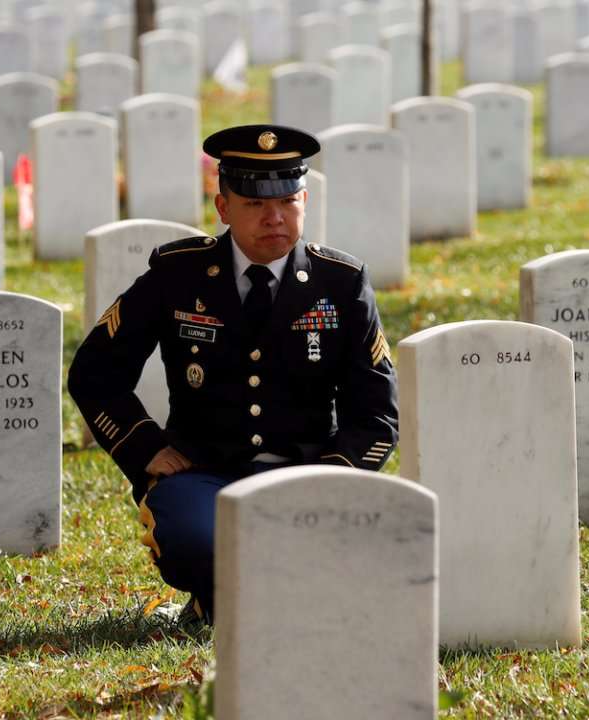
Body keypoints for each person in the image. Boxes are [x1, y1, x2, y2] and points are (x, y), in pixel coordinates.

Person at [67, 124, 398, 623]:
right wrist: (145, 447)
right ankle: (255, 599)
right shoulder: (179, 274)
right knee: (193, 538)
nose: (275, 217)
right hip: (204, 473)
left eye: (288, 201)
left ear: (305, 200)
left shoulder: (342, 284)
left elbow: (378, 413)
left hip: (305, 472)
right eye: (255, 204)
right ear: (223, 208)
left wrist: (333, 479)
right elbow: (94, 371)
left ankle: (226, 604)